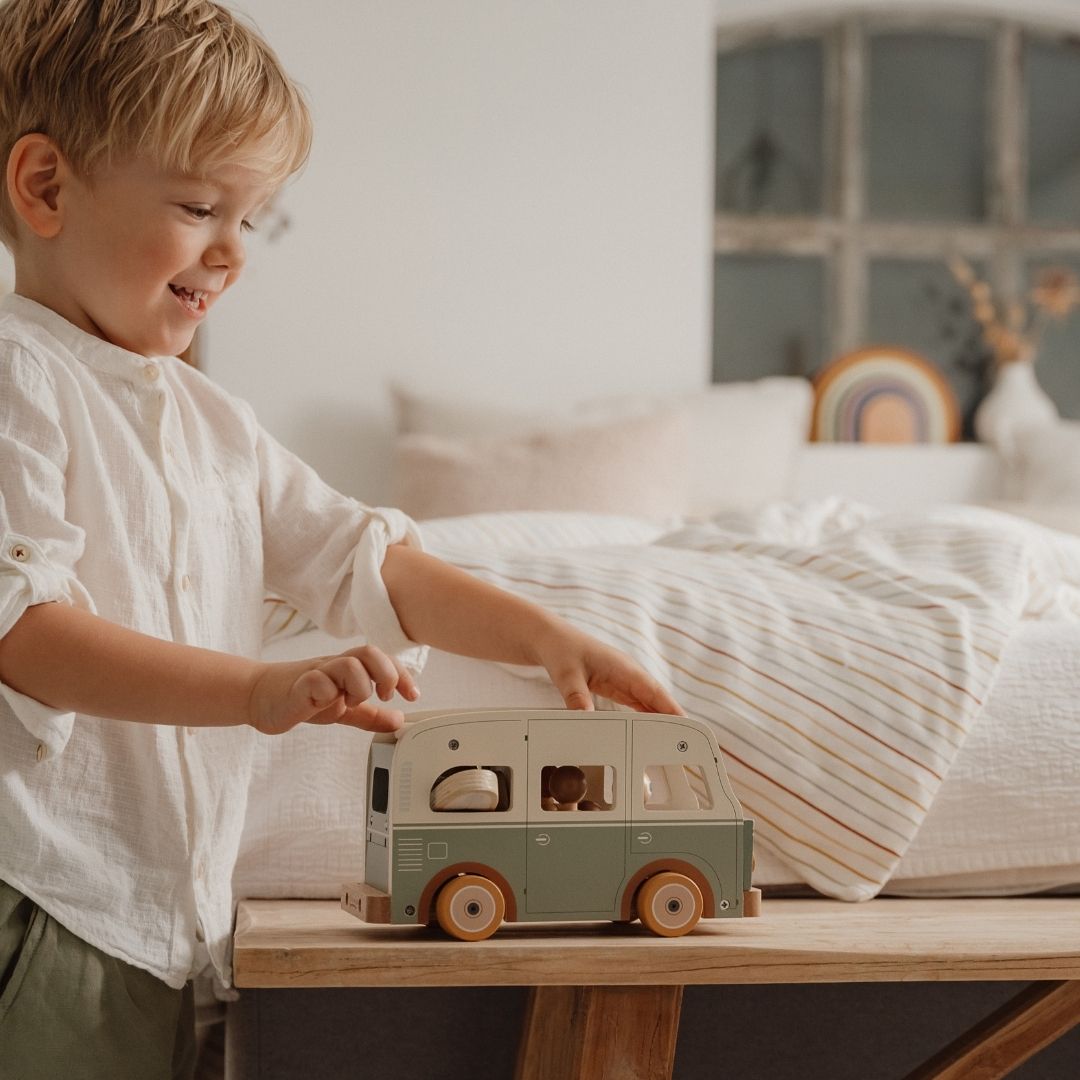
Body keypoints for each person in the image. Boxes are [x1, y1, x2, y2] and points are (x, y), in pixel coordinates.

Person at [0, 2, 682, 1076]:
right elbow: (25, 633)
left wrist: (542, 636)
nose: (231, 250)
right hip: (45, 896)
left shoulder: (213, 421)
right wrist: (255, 691)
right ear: (44, 187)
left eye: (254, 219)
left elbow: (360, 559)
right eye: (198, 206)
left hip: (158, 921)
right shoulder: (17, 378)